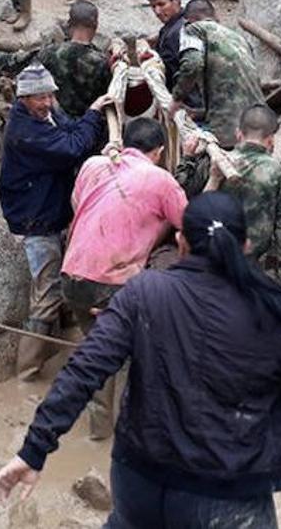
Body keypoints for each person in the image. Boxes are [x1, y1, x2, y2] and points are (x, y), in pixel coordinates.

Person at [0, 192, 281, 525]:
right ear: (247, 245)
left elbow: (83, 371)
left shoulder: (143, 292)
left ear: (181, 242)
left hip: (139, 479)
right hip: (224, 495)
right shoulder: (271, 307)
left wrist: (33, 451)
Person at [62, 117, 187, 439]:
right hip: (110, 282)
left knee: (99, 352)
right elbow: (190, 231)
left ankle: (97, 432)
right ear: (158, 152)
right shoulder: (160, 179)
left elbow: (79, 205)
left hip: (74, 274)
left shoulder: (93, 164)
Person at [0, 64, 110, 379]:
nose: (47, 102)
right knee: (47, 290)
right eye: (39, 98)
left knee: (62, 277)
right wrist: (93, 114)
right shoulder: (25, 131)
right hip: (37, 221)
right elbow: (73, 147)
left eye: (49, 95)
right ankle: (27, 373)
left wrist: (88, 118)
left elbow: (71, 129)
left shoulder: (46, 115)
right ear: (23, 99)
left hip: (51, 211)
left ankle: (59, 345)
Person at [176, 105, 281, 287]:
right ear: (271, 140)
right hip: (254, 273)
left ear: (238, 134)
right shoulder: (280, 175)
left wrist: (187, 158)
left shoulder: (215, 164)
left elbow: (180, 196)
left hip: (208, 269)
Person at [0, 0, 111, 118]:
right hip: (86, 128)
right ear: (95, 26)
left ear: (69, 24)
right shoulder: (102, 63)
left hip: (51, 120)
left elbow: (10, 62)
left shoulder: (51, 53)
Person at [172, 0, 264, 148]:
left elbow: (192, 64)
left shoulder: (193, 29)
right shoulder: (238, 38)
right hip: (261, 122)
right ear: (215, 16)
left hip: (229, 131)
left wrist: (176, 99)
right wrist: (202, 111)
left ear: (188, 20)